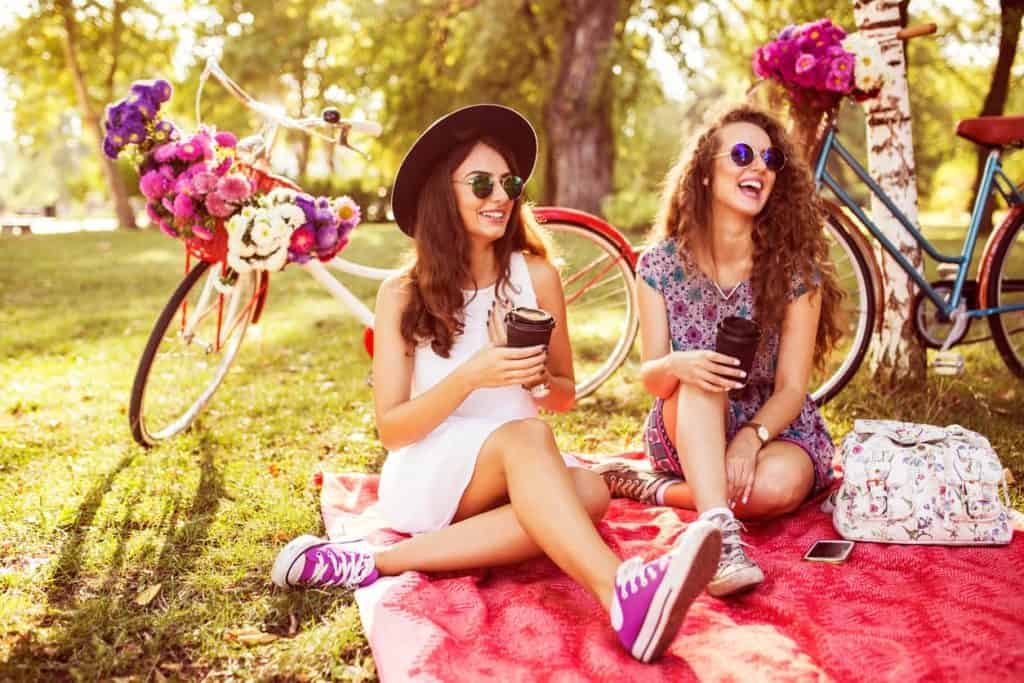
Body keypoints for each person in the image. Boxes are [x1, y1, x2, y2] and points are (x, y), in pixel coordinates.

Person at [272, 105, 722, 663]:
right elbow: (393, 429)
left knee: (591, 492)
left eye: (509, 182)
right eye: (480, 183)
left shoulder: (536, 276)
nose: (500, 196)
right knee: (528, 440)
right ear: (443, 192)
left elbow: (563, 395)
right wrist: (470, 376)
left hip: (514, 474)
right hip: (429, 471)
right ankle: (621, 591)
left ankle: (372, 561)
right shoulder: (402, 293)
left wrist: (537, 380)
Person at [596, 104, 843, 598]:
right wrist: (679, 364)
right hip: (687, 413)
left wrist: (752, 437)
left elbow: (794, 387)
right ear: (706, 173)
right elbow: (653, 378)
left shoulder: (797, 271)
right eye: (744, 154)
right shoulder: (661, 264)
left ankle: (653, 488)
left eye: (770, 159)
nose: (760, 168)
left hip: (772, 422)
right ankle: (719, 540)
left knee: (775, 491)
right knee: (701, 375)